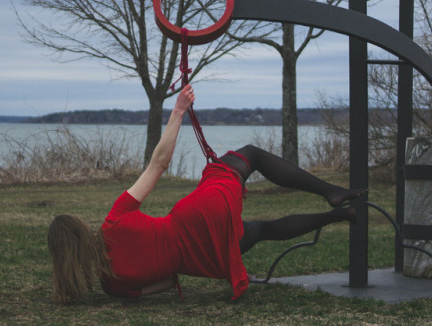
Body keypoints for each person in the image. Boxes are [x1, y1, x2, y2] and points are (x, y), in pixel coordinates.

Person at [48, 85, 363, 304]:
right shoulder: (114, 221)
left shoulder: (112, 286)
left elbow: (165, 283)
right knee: (250, 155)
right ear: (81, 229)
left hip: (204, 259)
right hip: (196, 215)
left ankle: (339, 215)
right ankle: (330, 192)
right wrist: (179, 111)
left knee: (263, 230)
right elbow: (158, 164)